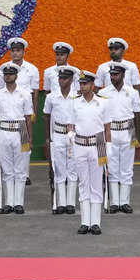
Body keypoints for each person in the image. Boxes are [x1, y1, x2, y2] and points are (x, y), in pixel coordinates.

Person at [69, 70, 111, 235]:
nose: (82, 86)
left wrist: (109, 150)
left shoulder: (103, 103)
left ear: (92, 85)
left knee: (96, 185)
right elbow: (71, 125)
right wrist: (70, 138)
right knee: (83, 184)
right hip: (80, 145)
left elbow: (107, 129)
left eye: (85, 83)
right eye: (80, 83)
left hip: (97, 145)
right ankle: (84, 221)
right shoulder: (75, 103)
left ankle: (96, 222)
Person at [0, 62, 34, 214]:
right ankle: (8, 202)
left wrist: (30, 138)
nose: (8, 76)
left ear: (16, 76)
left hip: (20, 130)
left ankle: (19, 203)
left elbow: (28, 118)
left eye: (11, 74)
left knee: (20, 169)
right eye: (6, 74)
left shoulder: (25, 94)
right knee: (6, 169)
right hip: (4, 130)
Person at [100, 62, 140, 213]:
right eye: (111, 74)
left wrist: (138, 136)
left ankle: (124, 201)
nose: (113, 77)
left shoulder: (132, 92)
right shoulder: (103, 92)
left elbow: (137, 114)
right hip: (110, 131)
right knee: (111, 168)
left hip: (127, 130)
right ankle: (114, 202)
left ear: (123, 75)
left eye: (116, 74)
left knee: (126, 168)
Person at [43, 66, 79, 214]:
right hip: (57, 133)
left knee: (72, 169)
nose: (61, 80)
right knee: (59, 169)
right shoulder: (51, 96)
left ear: (71, 80)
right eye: (60, 78)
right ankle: (60, 203)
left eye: (65, 78)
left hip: (73, 134)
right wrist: (47, 137)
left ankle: (70, 203)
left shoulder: (78, 96)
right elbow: (46, 116)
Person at [0, 38, 40, 115]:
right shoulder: (2, 69)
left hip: (25, 107)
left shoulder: (32, 69)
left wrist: (34, 113)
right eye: (13, 51)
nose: (15, 53)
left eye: (18, 50)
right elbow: (0, 90)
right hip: (7, 106)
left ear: (23, 52)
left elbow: (35, 94)